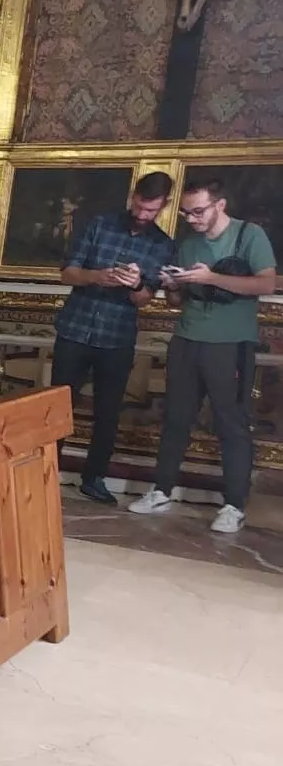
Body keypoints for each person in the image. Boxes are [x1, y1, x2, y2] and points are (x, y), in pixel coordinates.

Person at [130, 177, 278, 533]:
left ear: (219, 205)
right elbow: (177, 301)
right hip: (187, 338)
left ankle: (233, 506)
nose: (192, 219)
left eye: (198, 212)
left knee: (231, 423)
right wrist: (173, 286)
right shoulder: (190, 244)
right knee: (176, 419)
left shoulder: (249, 236)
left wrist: (212, 278)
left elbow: (266, 284)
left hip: (230, 344)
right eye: (186, 214)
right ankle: (162, 490)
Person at [52, 172, 176, 504]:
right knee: (57, 406)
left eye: (151, 211)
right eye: (139, 206)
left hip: (117, 336)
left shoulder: (163, 245)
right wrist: (97, 276)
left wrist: (135, 284)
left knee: (108, 412)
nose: (143, 215)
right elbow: (67, 272)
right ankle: (45, 471)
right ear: (133, 196)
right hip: (75, 329)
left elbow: (145, 298)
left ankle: (93, 479)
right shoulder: (99, 224)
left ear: (163, 206)